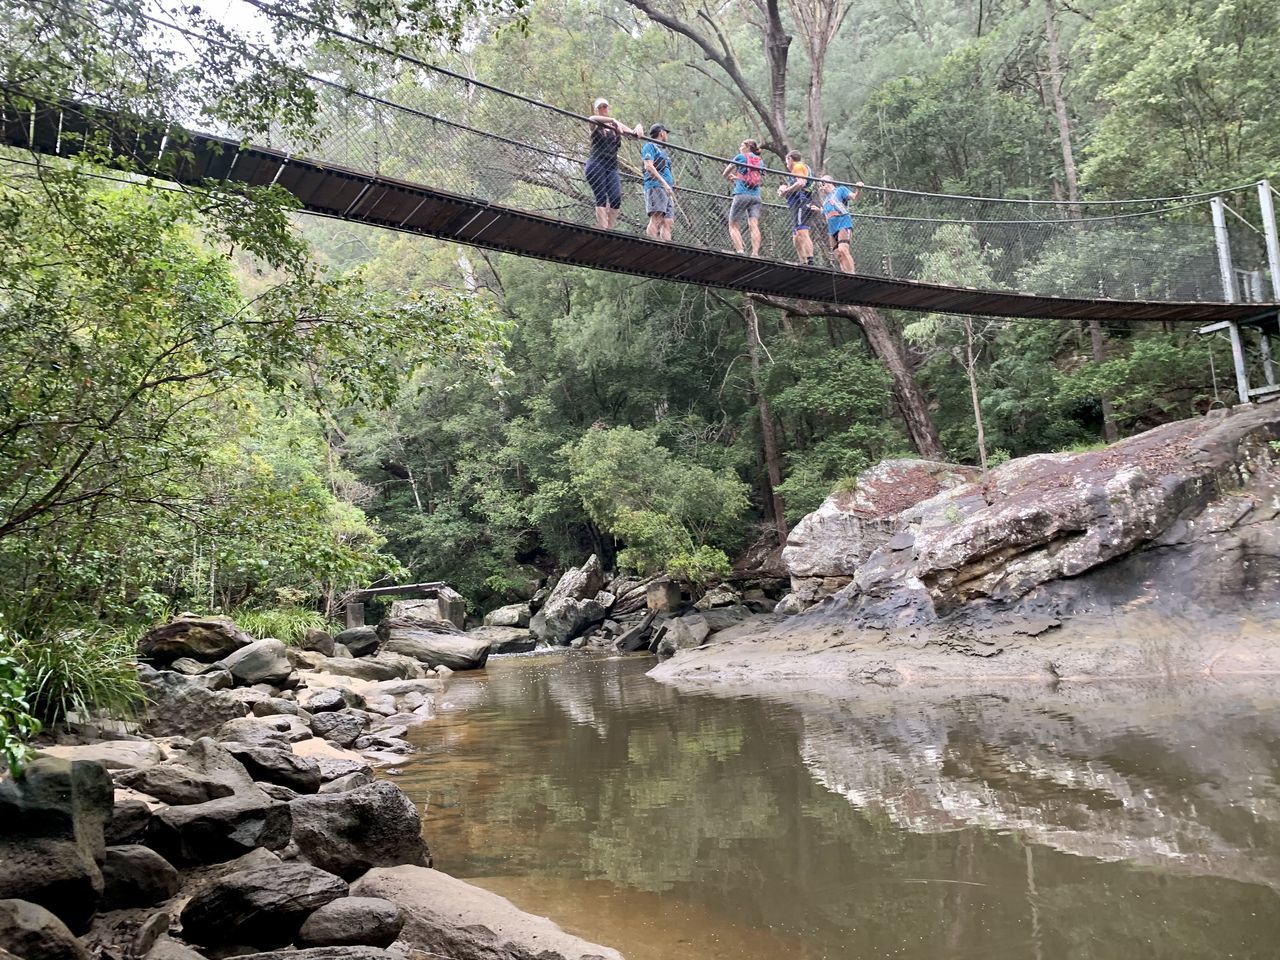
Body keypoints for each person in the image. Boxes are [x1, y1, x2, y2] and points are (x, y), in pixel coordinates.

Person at [585, 97, 643, 230]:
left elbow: (633, 135)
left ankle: (610, 228)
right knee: (601, 196)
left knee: (616, 198)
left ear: (608, 108)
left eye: (605, 107)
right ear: (596, 110)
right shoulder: (595, 124)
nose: (603, 109)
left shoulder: (616, 125)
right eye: (600, 107)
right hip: (596, 163)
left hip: (611, 166)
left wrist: (639, 127)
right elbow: (592, 119)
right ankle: (604, 228)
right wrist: (613, 120)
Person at [723, 138, 764, 256]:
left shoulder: (740, 157)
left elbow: (725, 173)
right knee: (754, 225)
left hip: (741, 194)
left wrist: (730, 176)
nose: (740, 147)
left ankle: (740, 251)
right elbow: (755, 178)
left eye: (742, 145)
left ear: (747, 147)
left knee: (733, 224)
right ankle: (755, 253)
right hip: (756, 196)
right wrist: (738, 178)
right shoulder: (760, 161)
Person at [817, 176, 863, 273]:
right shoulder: (825, 201)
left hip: (843, 223)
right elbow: (826, 212)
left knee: (843, 250)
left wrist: (858, 189)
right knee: (838, 255)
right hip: (832, 229)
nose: (821, 187)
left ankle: (852, 274)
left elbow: (855, 197)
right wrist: (818, 210)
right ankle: (845, 273)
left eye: (822, 184)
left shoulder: (840, 190)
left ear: (828, 182)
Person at [778, 149, 816, 265]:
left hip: (801, 202)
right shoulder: (801, 169)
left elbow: (801, 183)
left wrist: (786, 191)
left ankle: (810, 260)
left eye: (786, 161)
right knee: (796, 235)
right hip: (798, 203)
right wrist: (783, 188)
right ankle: (802, 260)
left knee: (802, 231)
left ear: (790, 159)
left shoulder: (798, 166)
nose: (787, 165)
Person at [641, 123, 676, 241]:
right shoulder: (649, 146)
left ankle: (667, 245)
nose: (666, 136)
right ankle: (652, 243)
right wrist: (664, 183)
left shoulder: (663, 152)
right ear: (661, 133)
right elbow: (648, 166)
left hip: (667, 189)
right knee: (657, 217)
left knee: (668, 221)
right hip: (656, 186)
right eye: (666, 133)